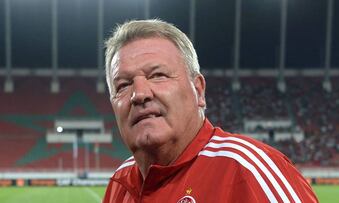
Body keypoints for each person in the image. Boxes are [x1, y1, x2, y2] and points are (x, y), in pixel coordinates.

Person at [103, 19, 318, 203]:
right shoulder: (120, 183)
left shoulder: (247, 171)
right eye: (122, 85)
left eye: (158, 75)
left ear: (198, 90)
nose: (139, 94)